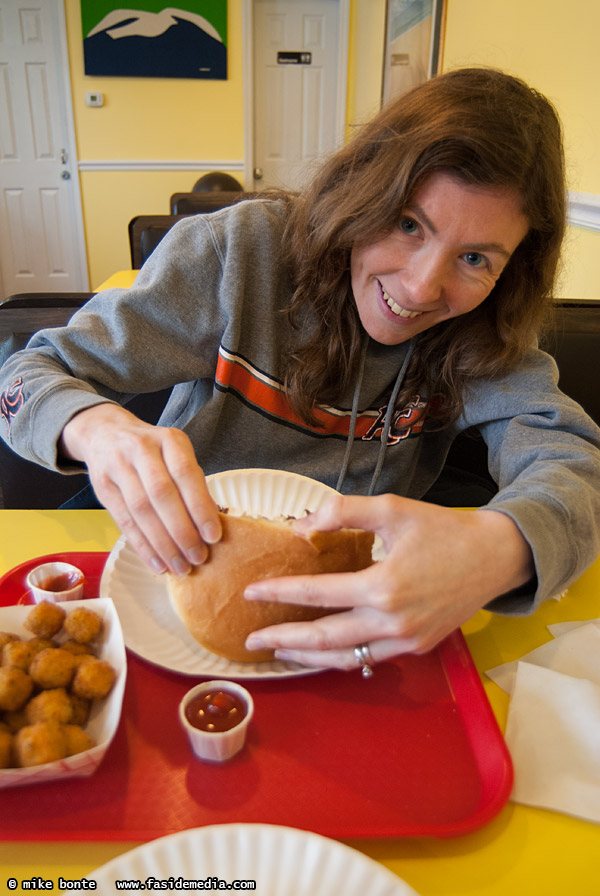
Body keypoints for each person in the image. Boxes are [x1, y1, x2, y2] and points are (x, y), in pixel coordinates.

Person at [1, 68, 600, 676]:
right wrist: (95, 429)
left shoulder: (483, 326)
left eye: (475, 258)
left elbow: (572, 463)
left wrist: (500, 551)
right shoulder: (238, 254)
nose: (420, 288)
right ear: (363, 190)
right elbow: (23, 376)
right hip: (174, 587)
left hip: (364, 625)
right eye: (408, 223)